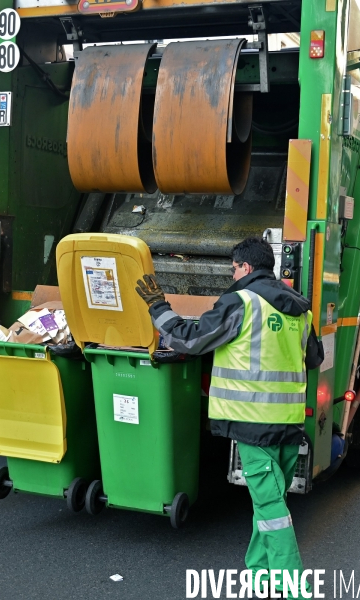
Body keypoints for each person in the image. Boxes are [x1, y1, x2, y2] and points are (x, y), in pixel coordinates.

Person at [136, 237, 323, 599]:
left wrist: (157, 306)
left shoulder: (240, 302)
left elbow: (188, 340)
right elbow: (312, 358)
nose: (232, 274)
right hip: (288, 425)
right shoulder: (301, 309)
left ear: (247, 268)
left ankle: (295, 590)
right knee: (268, 504)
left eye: (234, 268)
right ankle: (260, 576)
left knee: (271, 509)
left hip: (252, 427)